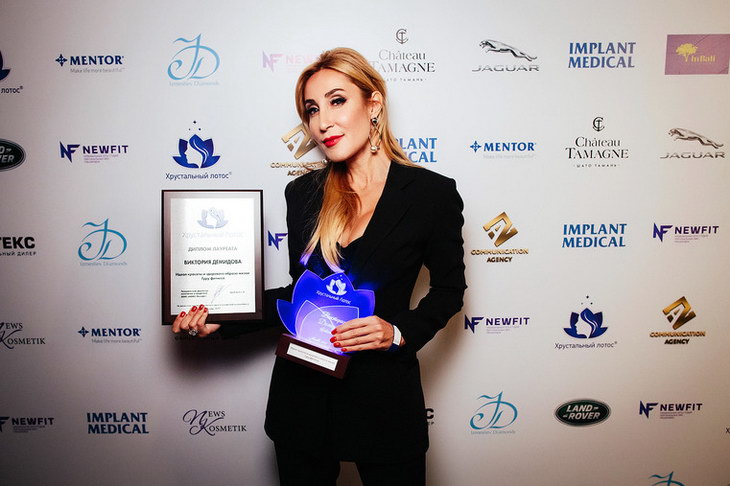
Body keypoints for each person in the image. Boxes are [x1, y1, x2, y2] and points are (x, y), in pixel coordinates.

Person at [172, 47, 466, 485]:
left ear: (373, 104)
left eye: (337, 101)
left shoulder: (431, 194)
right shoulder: (303, 193)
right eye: (312, 109)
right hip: (302, 398)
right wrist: (222, 317)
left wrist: (397, 331)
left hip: (383, 400)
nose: (322, 122)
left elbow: (448, 291)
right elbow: (300, 293)